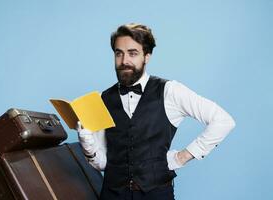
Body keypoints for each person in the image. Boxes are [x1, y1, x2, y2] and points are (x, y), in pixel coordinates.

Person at [77, 23, 236, 200]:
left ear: (147, 56)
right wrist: (87, 143)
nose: (124, 61)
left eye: (133, 53)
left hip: (157, 194)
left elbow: (223, 121)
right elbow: (102, 164)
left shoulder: (170, 91)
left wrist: (181, 158)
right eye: (118, 53)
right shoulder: (102, 99)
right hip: (112, 195)